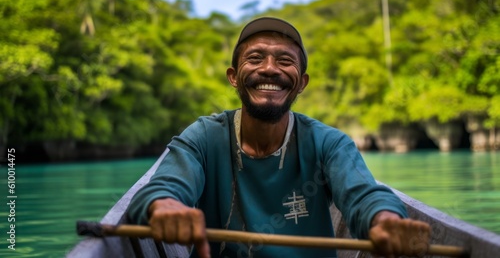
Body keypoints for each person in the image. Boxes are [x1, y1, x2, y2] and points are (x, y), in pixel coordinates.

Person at [127, 17, 431, 258]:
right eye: (256, 58)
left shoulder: (328, 143)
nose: (270, 69)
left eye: (285, 61)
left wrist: (385, 219)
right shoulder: (204, 137)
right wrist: (164, 204)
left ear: (301, 83)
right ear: (234, 76)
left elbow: (364, 195)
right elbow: (164, 186)